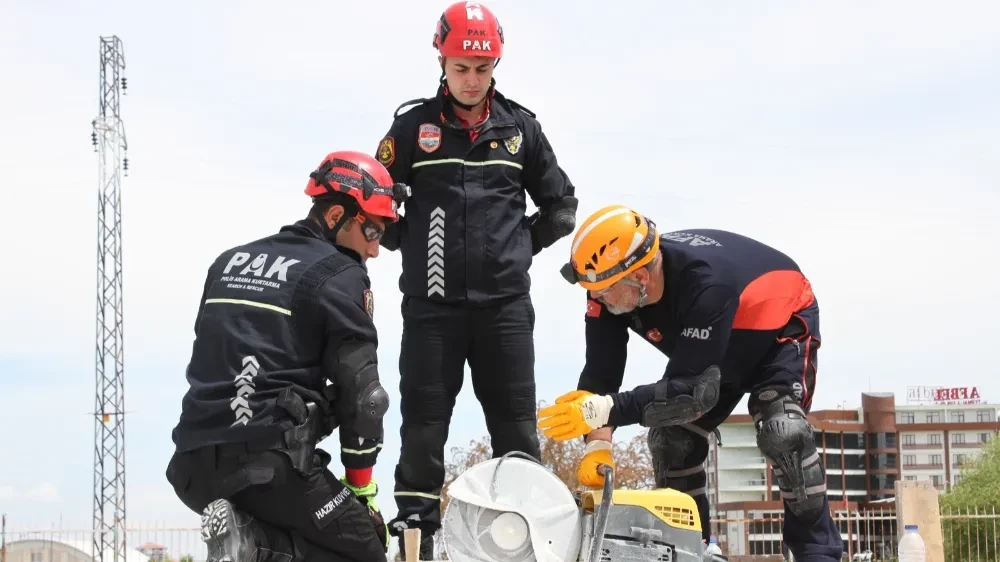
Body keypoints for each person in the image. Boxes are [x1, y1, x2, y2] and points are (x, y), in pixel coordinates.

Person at [372, 1, 579, 557]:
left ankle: (525, 544)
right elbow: (375, 204)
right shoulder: (411, 128)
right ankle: (415, 540)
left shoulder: (521, 130)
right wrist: (411, 247)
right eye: (460, 67)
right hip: (431, 311)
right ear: (441, 59)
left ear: (496, 66)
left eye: (481, 70)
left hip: (505, 312)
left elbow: (561, 209)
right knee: (422, 429)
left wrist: (518, 250)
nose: (470, 80)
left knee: (516, 434)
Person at [537, 204, 845, 562]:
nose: (597, 298)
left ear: (641, 277)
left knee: (783, 431)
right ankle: (692, 550)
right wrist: (597, 444)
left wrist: (603, 409)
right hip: (711, 348)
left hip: (776, 329)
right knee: (672, 439)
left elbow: (692, 394)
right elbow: (601, 374)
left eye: (604, 290)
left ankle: (817, 554)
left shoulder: (707, 284)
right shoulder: (605, 290)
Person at [165, 151, 412, 562]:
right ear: (336, 216)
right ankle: (254, 545)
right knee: (364, 548)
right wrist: (361, 490)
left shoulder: (227, 262)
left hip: (192, 469)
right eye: (372, 231)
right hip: (269, 470)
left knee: (299, 537)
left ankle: (249, 542)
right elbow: (367, 398)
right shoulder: (340, 273)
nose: (376, 250)